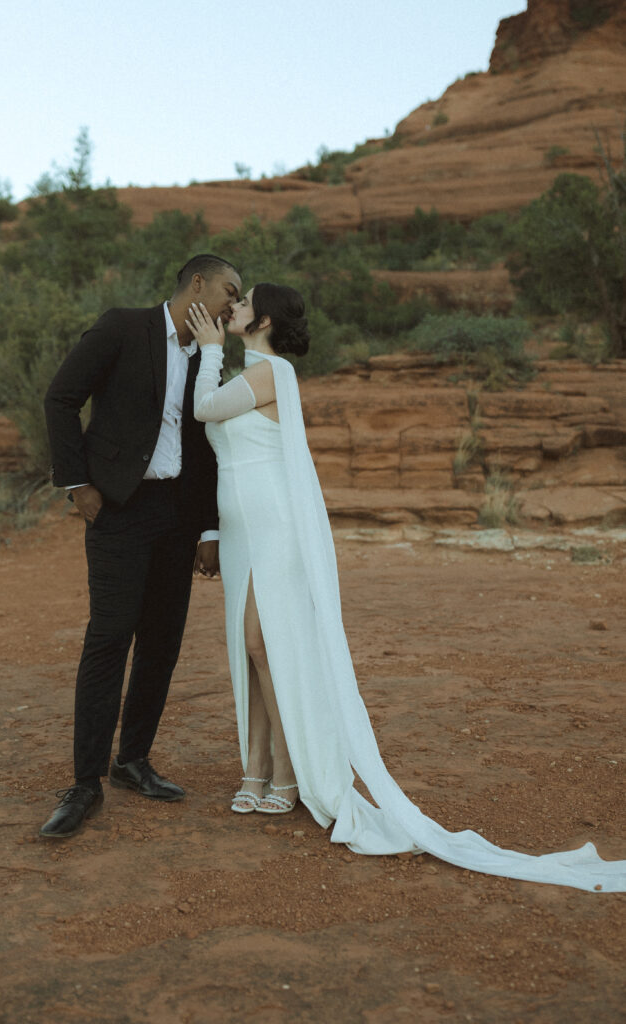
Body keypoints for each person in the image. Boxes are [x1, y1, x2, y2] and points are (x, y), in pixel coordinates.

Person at [186, 285, 626, 892]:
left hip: (275, 526)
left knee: (264, 643)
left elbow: (204, 410)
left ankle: (285, 773)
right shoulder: (252, 371)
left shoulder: (272, 373)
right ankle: (256, 770)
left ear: (260, 320)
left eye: (243, 302)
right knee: (251, 645)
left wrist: (208, 349)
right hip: (241, 528)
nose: (230, 308)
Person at [39, 254, 241, 839]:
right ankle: (84, 785)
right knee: (108, 638)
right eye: (229, 290)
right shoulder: (123, 326)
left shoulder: (209, 355)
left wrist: (208, 529)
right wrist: (77, 484)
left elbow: (206, 448)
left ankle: (132, 761)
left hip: (178, 518)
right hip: (120, 509)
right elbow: (60, 398)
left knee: (161, 642)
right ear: (196, 284)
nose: (234, 303)